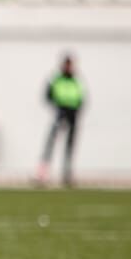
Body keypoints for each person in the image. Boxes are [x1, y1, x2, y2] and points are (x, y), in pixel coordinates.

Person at [36, 54, 84, 187]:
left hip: (72, 115)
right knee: (50, 144)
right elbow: (48, 95)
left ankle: (67, 174)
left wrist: (76, 108)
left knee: (70, 146)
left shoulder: (76, 81)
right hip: (60, 113)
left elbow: (81, 98)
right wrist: (57, 107)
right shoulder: (56, 79)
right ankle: (42, 174)